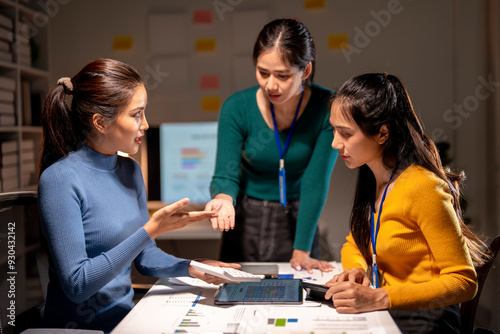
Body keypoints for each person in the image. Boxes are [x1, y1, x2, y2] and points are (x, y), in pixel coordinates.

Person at [37, 58, 240, 332]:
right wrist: (149, 230)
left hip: (127, 322)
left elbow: (144, 257)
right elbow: (77, 284)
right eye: (136, 114)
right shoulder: (60, 180)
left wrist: (191, 267)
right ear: (100, 122)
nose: (145, 124)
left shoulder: (131, 171)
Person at [325, 73, 490, 333]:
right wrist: (356, 269)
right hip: (392, 313)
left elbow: (464, 282)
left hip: (428, 321)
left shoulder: (422, 187)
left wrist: (381, 297)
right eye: (333, 130)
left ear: (382, 133)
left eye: (345, 133)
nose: (335, 143)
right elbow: (355, 241)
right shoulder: (376, 178)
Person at [205, 18, 338, 272]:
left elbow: (315, 181)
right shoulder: (237, 107)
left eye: (283, 75)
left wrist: (302, 249)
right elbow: (226, 173)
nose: (270, 85)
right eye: (262, 72)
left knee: (298, 291)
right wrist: (223, 198)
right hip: (245, 214)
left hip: (299, 215)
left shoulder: (327, 108)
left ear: (306, 71)